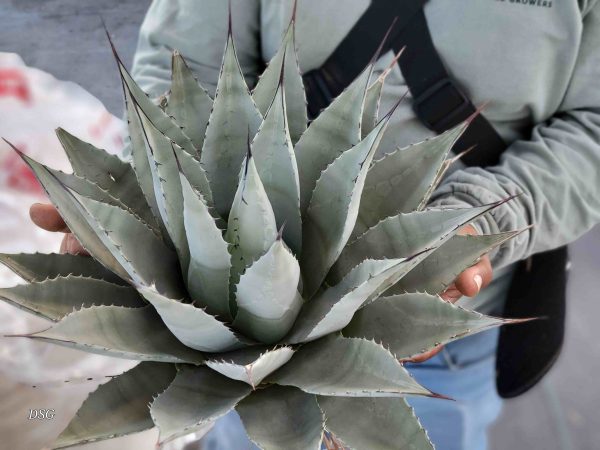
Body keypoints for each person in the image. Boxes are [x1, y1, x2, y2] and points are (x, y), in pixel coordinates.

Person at [28, 1, 600, 449]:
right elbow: (186, 61)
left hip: (430, 327)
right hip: (229, 357)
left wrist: (486, 212)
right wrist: (147, 197)